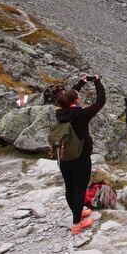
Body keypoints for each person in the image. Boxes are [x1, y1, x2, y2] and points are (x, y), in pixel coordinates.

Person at [54, 73, 105, 235]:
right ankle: (77, 224)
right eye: (78, 96)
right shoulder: (81, 115)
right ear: (75, 101)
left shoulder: (60, 112)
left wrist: (80, 83)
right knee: (80, 189)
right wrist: (97, 81)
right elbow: (100, 101)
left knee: (70, 187)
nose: (80, 97)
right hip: (80, 158)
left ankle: (77, 212)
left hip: (63, 157)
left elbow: (67, 96)